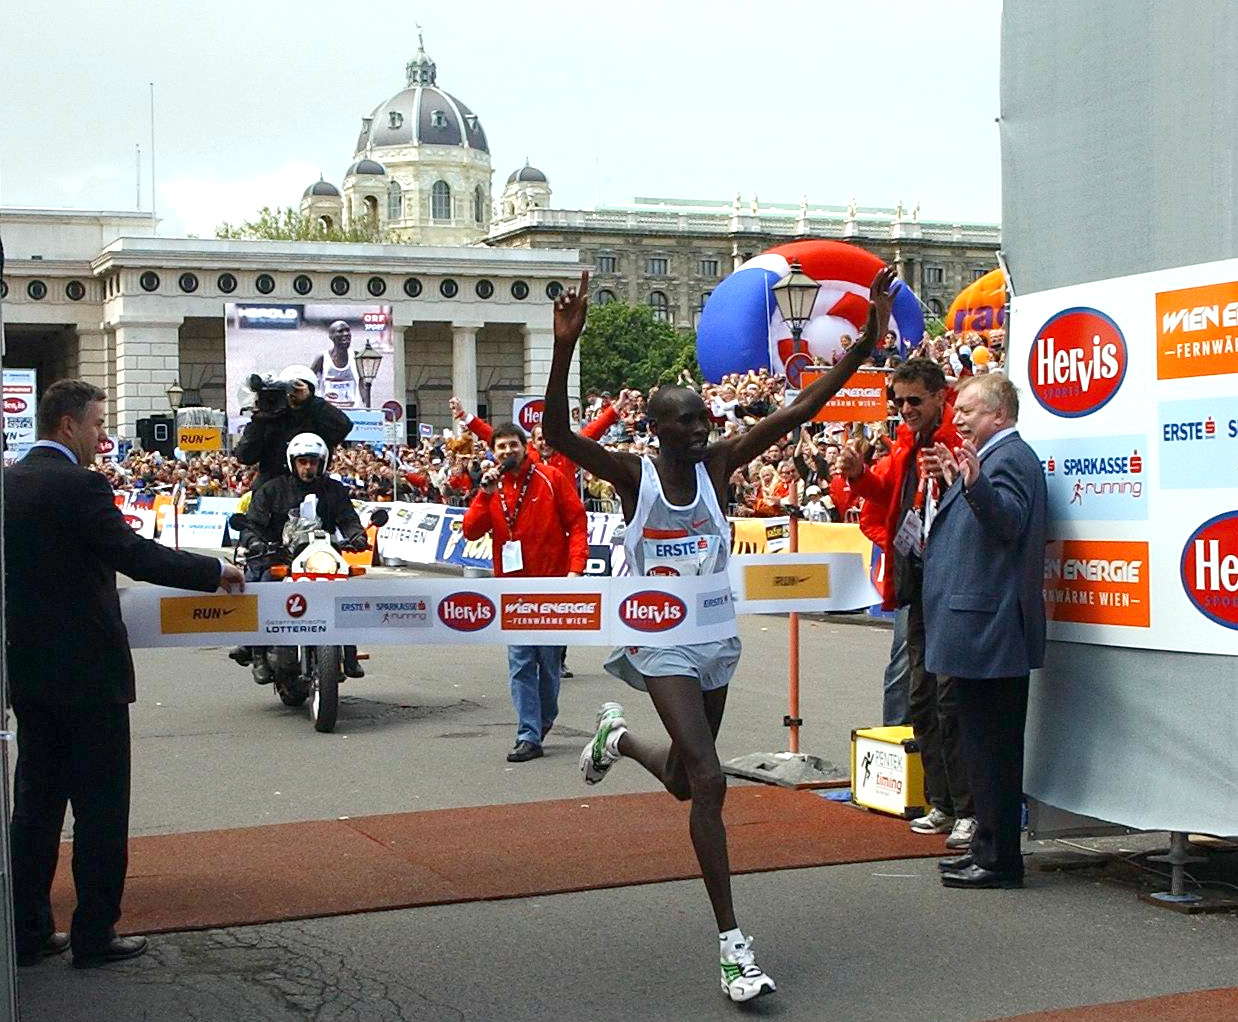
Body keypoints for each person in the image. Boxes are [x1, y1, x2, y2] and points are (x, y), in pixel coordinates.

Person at [542, 266, 897, 1003]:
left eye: (705, 418)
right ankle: (733, 946)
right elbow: (553, 433)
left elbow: (803, 407)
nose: (702, 429)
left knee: (681, 779)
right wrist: (564, 349)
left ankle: (620, 740)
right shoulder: (633, 478)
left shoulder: (720, 463)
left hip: (715, 642)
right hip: (658, 642)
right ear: (656, 429)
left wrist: (865, 341)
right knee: (710, 780)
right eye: (687, 422)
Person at [4, 380, 245, 969]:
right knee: (101, 811)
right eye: (94, 425)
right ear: (67, 427)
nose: (101, 437)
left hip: (29, 673)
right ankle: (94, 934)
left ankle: (28, 932)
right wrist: (213, 571)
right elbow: (134, 555)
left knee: (35, 808)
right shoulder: (80, 486)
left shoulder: (8, 483)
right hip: (90, 676)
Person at [835, 358, 974, 845]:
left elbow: (974, 504)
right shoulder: (907, 444)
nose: (906, 409)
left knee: (951, 700)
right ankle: (942, 803)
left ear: (940, 396)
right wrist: (857, 476)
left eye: (915, 401)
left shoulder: (959, 441)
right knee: (923, 697)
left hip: (952, 589)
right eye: (899, 402)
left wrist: (956, 475)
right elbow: (886, 494)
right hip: (919, 586)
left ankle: (968, 810)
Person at [921, 374, 1047, 889]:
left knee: (993, 750)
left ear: (999, 413)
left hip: (991, 630)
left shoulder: (1011, 457)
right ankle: (985, 848)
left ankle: (998, 860)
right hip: (978, 628)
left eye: (968, 410)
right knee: (978, 746)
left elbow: (1009, 525)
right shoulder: (990, 459)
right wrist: (959, 482)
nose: (958, 418)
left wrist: (973, 486)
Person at [461, 422, 588, 762]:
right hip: (513, 592)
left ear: (524, 446)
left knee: (548, 665)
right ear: (494, 452)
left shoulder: (550, 477)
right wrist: (483, 494)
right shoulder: (493, 487)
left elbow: (577, 522)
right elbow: (471, 531)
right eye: (500, 447)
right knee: (520, 664)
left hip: (551, 586)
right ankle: (528, 734)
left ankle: (544, 719)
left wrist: (576, 569)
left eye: (512, 445)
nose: (507, 451)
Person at [235, 432, 370, 681]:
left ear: (323, 463)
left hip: (322, 553)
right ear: (292, 462)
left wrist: (357, 536)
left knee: (345, 593)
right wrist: (255, 542)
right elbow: (252, 524)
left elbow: (348, 518)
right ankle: (258, 655)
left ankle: (349, 653)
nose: (308, 467)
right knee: (264, 587)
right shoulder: (272, 490)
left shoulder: (334, 490)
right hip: (280, 555)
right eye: (303, 461)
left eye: (313, 461)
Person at [234, 363, 353, 490]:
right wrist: (259, 418)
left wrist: (311, 401)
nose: (293, 396)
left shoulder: (320, 419)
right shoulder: (269, 420)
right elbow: (245, 456)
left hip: (312, 488)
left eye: (298, 391)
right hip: (271, 493)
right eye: (288, 391)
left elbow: (344, 426)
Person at [311, 320, 364, 409]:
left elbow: (363, 384)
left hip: (352, 410)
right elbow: (309, 382)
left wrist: (367, 407)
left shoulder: (356, 357)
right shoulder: (322, 358)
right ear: (331, 336)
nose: (346, 334)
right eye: (340, 331)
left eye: (348, 330)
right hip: (327, 412)